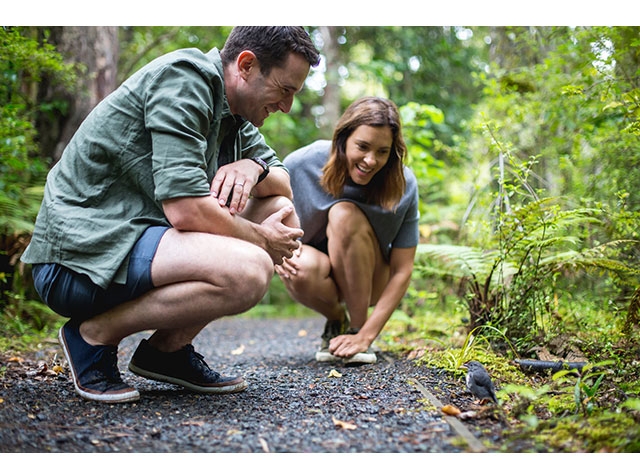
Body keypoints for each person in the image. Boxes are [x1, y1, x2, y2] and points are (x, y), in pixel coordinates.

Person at [20, 27, 321, 403]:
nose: (287, 106)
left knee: (279, 211)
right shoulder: (185, 78)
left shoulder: (237, 116)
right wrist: (262, 241)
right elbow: (185, 209)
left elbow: (283, 185)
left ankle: (167, 353)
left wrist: (253, 166)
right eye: (285, 89)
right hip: (79, 258)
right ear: (246, 65)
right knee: (250, 270)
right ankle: (93, 335)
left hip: (141, 244)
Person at [275, 97, 419, 365]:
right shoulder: (301, 164)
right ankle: (337, 320)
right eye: (362, 146)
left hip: (372, 279)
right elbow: (263, 220)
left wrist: (366, 335)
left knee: (343, 214)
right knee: (299, 263)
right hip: (315, 275)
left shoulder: (404, 185)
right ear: (342, 139)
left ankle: (356, 331)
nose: (370, 160)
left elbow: (403, 269)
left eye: (382, 151)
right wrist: (274, 254)